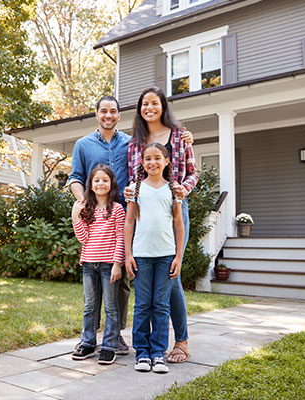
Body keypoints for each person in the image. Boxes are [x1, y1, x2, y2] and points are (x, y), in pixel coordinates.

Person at [69, 95, 194, 355]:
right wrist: (84, 205)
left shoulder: (149, 139)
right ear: (96, 114)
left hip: (153, 211)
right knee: (120, 274)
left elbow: (184, 171)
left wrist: (182, 187)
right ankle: (102, 337)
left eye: (113, 111)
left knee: (162, 276)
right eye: (103, 111)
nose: (108, 115)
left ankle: (172, 341)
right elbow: (77, 178)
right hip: (115, 217)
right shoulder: (108, 143)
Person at [125, 86, 198, 364]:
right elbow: (133, 178)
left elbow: (193, 173)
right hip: (144, 210)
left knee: (173, 275)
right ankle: (148, 347)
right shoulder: (135, 142)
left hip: (174, 206)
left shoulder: (179, 135)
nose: (150, 108)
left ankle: (181, 342)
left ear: (163, 106)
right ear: (140, 109)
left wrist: (182, 190)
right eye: (145, 104)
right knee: (147, 294)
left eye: (155, 103)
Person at [124, 143, 184, 373]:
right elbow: (129, 222)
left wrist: (178, 256)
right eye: (148, 158)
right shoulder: (135, 189)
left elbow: (178, 224)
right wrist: (128, 254)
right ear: (142, 162)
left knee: (160, 305)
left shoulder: (173, 190)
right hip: (142, 255)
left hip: (166, 255)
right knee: (142, 305)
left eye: (157, 158)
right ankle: (142, 352)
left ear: (167, 161)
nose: (152, 162)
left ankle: (158, 353)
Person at [71, 165, 125, 365]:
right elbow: (83, 238)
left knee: (111, 307)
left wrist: (117, 264)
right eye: (96, 180)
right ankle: (88, 343)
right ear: (91, 185)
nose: (100, 183)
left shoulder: (117, 209)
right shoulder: (87, 209)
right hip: (88, 264)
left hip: (108, 265)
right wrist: (75, 216)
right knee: (89, 306)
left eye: (105, 180)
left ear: (111, 184)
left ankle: (109, 346)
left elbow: (120, 238)